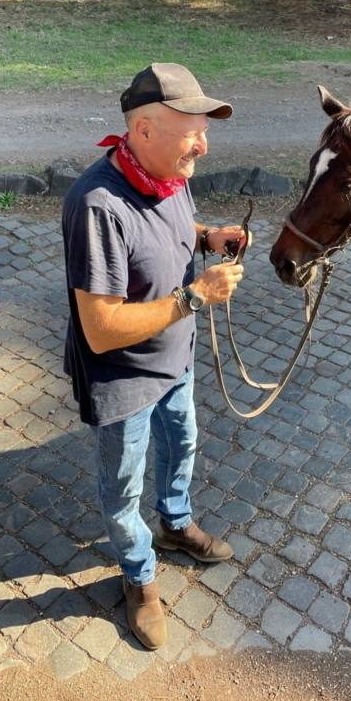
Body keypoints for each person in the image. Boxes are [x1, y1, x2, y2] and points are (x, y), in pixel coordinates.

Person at [62, 63, 246, 651]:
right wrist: (195, 296)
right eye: (191, 129)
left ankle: (173, 524)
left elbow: (171, 225)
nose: (204, 144)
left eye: (204, 130)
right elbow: (101, 329)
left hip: (176, 361)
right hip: (123, 381)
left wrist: (206, 234)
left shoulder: (169, 174)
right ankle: (139, 577)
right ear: (142, 130)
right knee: (121, 491)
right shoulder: (97, 207)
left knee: (184, 443)